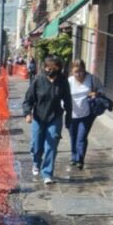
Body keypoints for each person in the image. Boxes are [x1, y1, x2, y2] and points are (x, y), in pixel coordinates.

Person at [22, 55, 71, 185]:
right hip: (39, 116)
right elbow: (28, 99)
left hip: (55, 117)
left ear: (59, 68)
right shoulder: (38, 80)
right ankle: (36, 162)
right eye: (48, 67)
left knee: (51, 145)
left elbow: (67, 100)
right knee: (37, 145)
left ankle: (47, 174)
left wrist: (69, 117)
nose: (50, 70)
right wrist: (27, 113)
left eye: (53, 68)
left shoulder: (62, 81)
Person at [66, 59, 100, 171]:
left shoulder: (91, 79)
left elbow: (101, 89)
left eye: (81, 71)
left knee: (81, 137)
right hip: (71, 115)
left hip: (86, 115)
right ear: (72, 71)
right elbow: (63, 97)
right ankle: (74, 156)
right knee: (73, 136)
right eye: (76, 72)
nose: (79, 74)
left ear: (84, 70)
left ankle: (80, 159)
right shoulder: (69, 81)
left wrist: (96, 93)